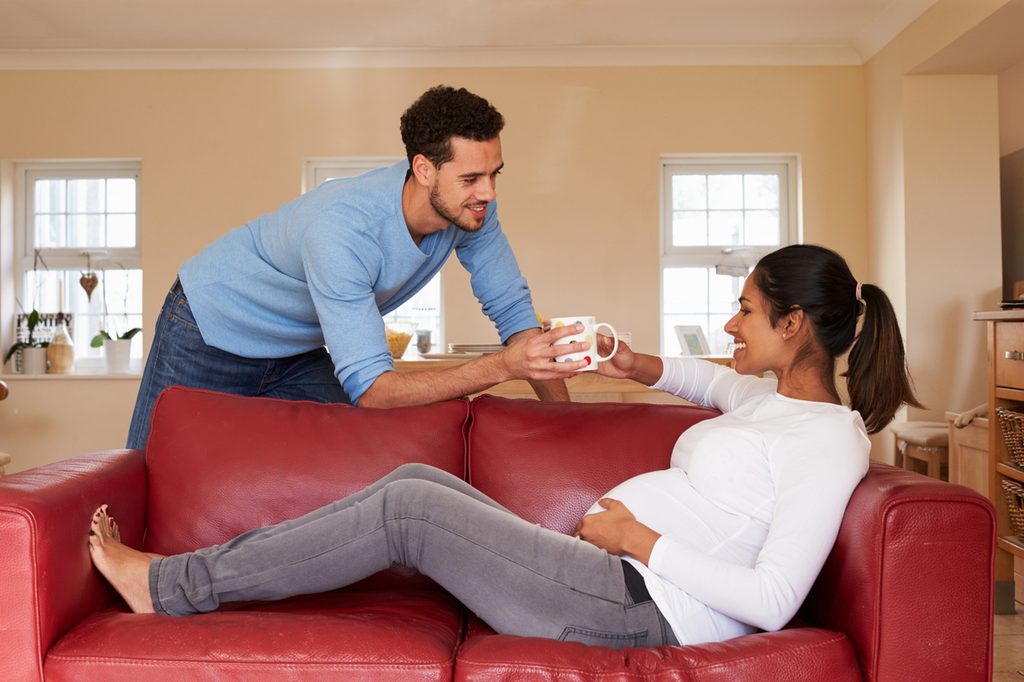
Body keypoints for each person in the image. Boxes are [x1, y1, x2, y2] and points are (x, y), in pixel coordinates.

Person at [92, 244, 921, 648]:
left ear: (793, 324)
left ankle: (171, 587)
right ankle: (178, 583)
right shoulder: (768, 401)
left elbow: (773, 599)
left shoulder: (829, 440)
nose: (732, 327)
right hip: (609, 577)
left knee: (412, 504)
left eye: (745, 310)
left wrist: (641, 539)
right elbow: (698, 381)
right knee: (416, 477)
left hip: (641, 607)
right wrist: (625, 360)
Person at [125, 85, 585, 450]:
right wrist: (502, 367)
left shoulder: (472, 211)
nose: (488, 192)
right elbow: (373, 389)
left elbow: (516, 318)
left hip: (296, 350)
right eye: (470, 178)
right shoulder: (343, 231)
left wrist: (569, 432)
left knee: (373, 445)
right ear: (423, 169)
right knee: (153, 466)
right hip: (208, 324)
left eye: (494, 174)